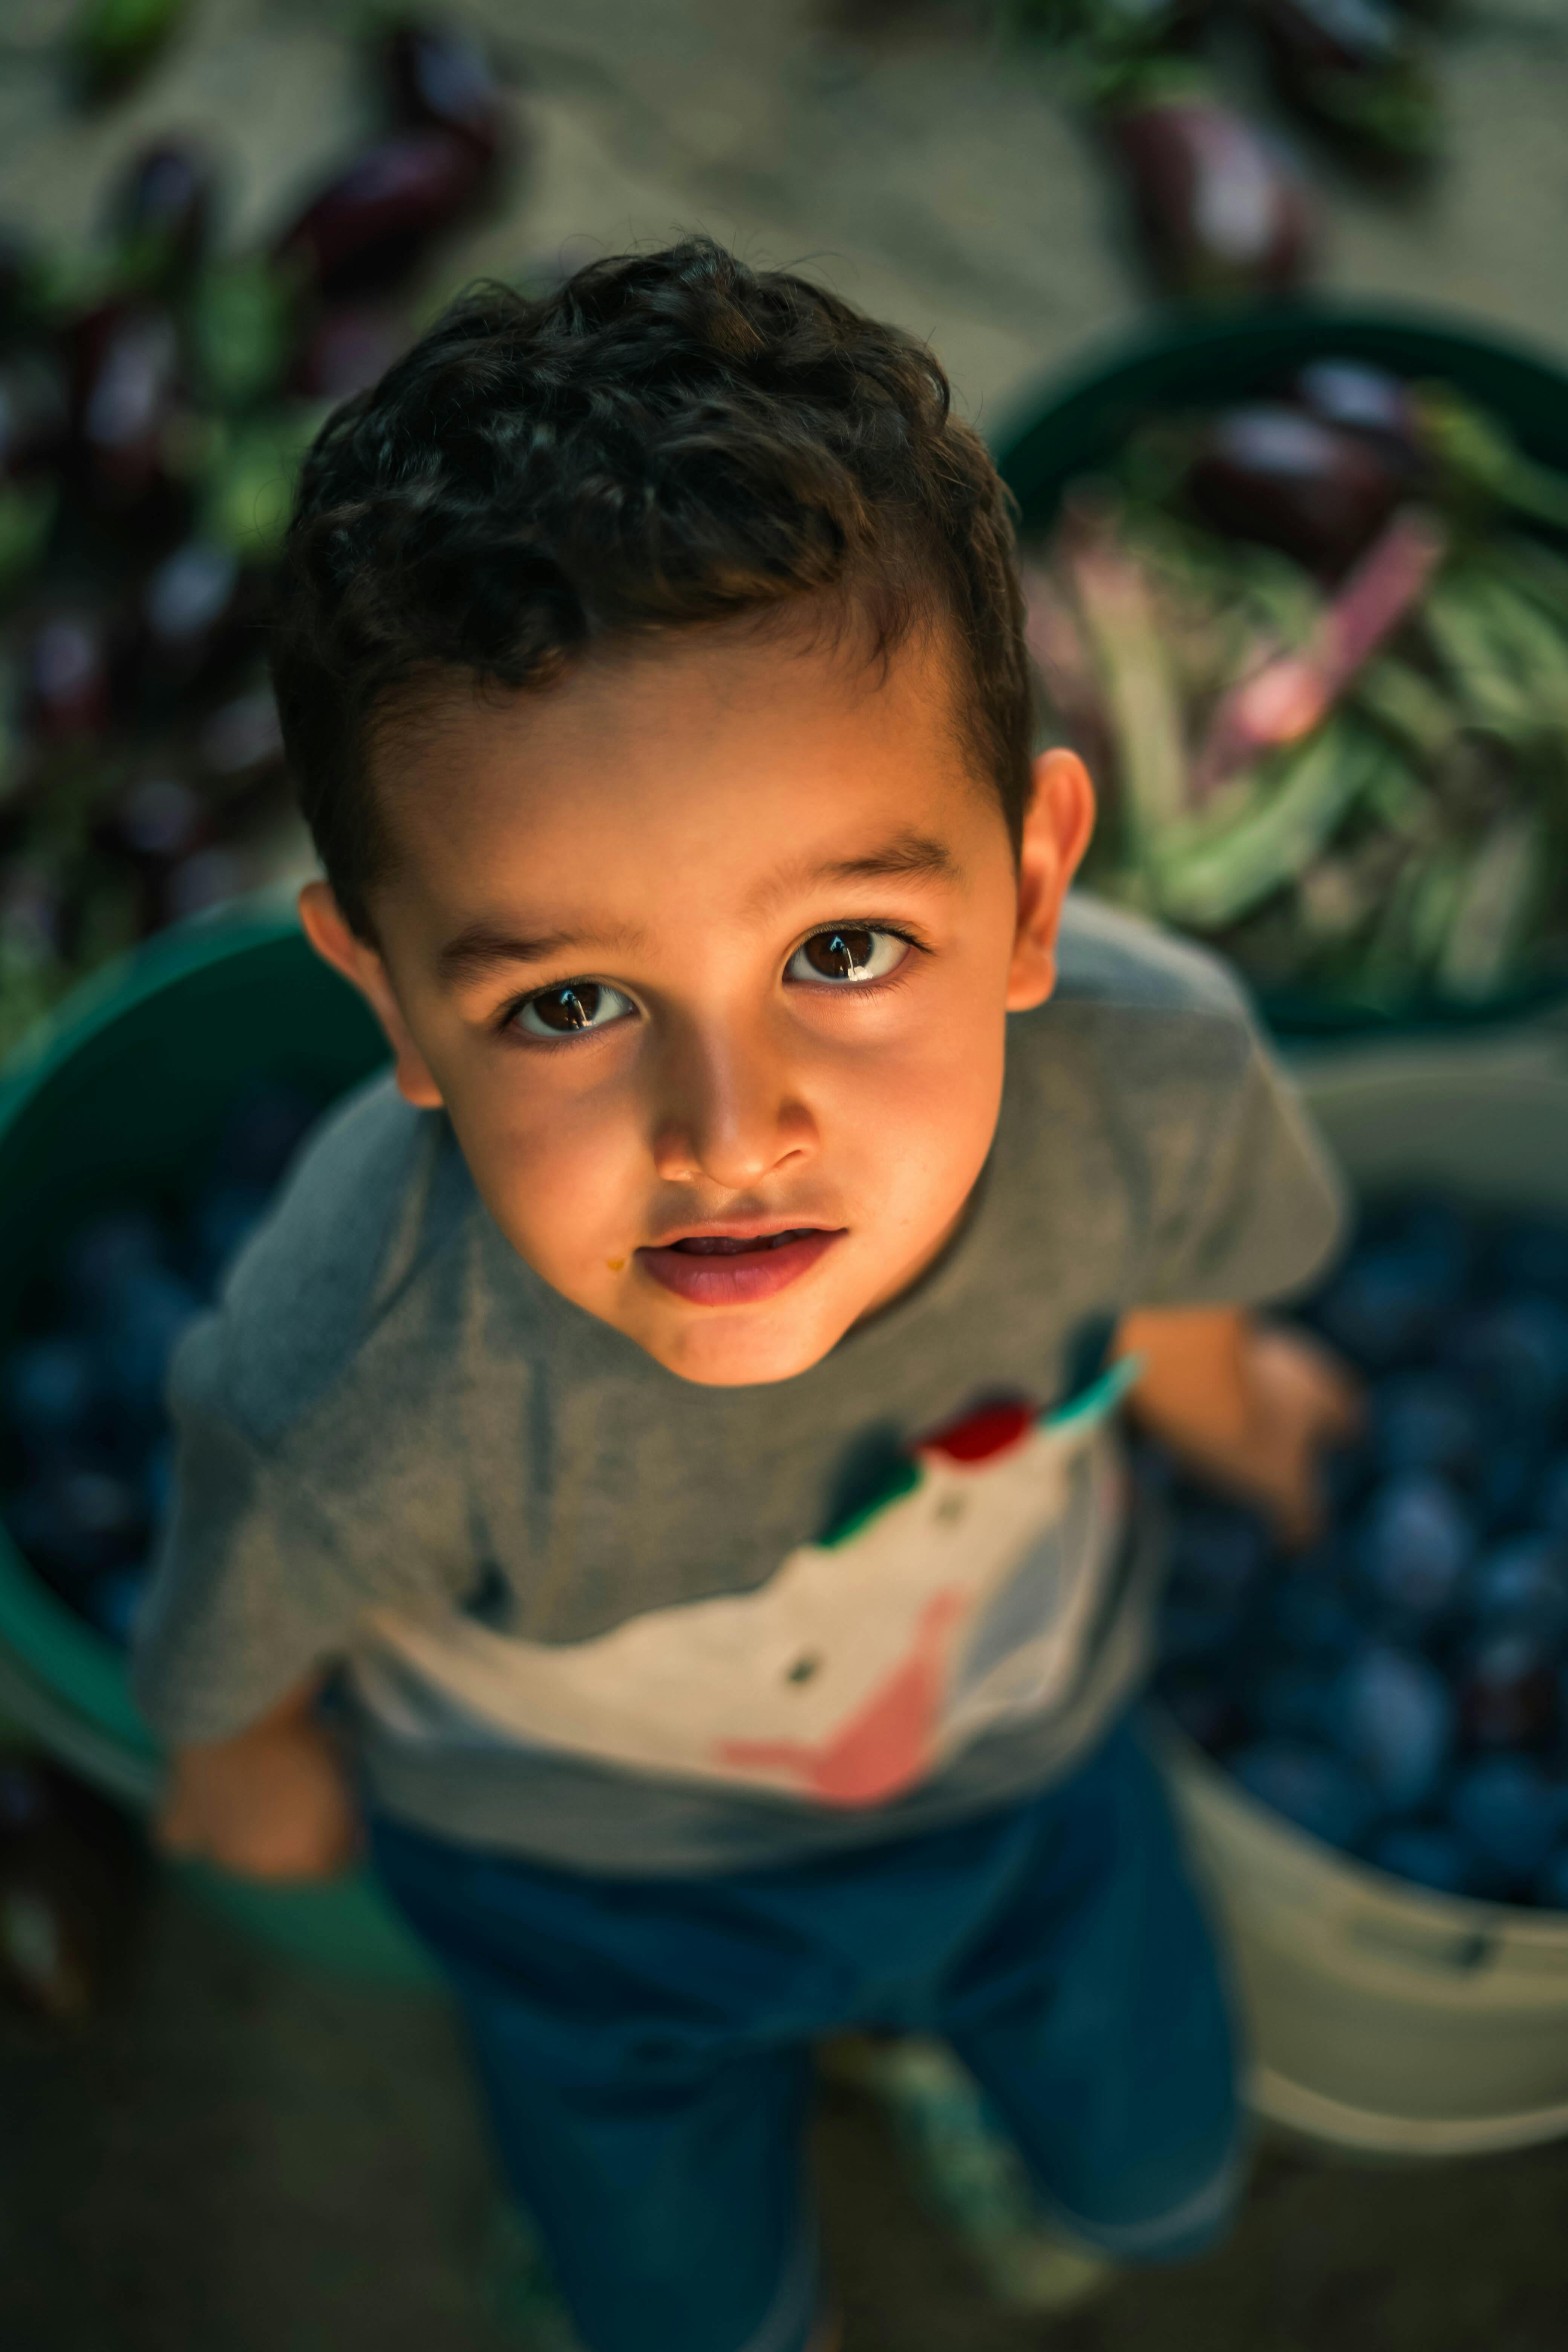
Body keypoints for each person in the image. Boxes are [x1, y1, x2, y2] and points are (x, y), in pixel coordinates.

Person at [130, 239, 1358, 2352]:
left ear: (1033, 890)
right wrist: (245, 1760)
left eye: (845, 952)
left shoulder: (1153, 1082)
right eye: (569, 1002)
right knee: (686, 2303)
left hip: (1024, 1765)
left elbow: (1161, 1288)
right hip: (587, 1894)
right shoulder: (367, 1370)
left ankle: (941, 2057)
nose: (727, 1132)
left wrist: (1220, 1395)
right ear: (395, 1004)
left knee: (1159, 2171)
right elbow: (239, 1626)